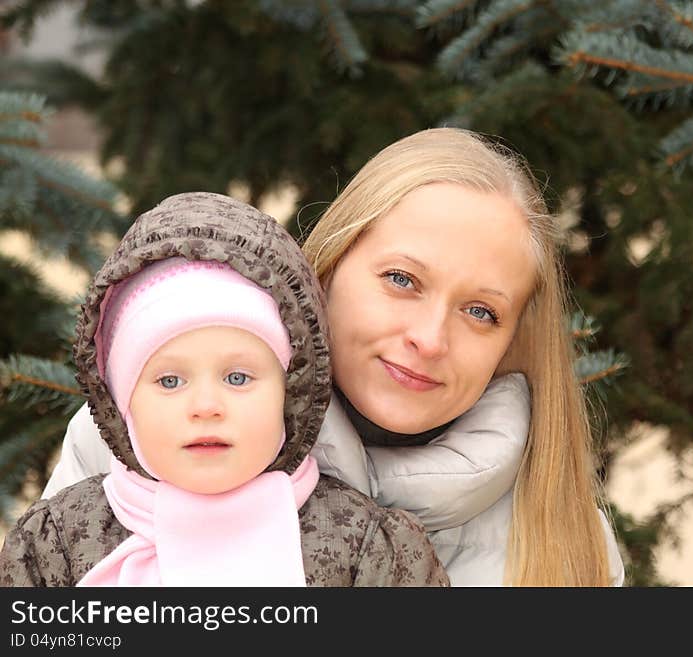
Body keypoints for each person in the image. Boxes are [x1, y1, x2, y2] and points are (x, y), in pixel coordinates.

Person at [39, 128, 625, 586]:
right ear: (330, 266)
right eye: (402, 279)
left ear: (513, 339)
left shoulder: (568, 536)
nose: (430, 337)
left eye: (480, 312)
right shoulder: (135, 439)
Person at [0, 191, 449, 587]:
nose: (206, 406)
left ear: (291, 393)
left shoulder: (366, 551)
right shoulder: (55, 545)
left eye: (238, 378)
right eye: (169, 381)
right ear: (123, 404)